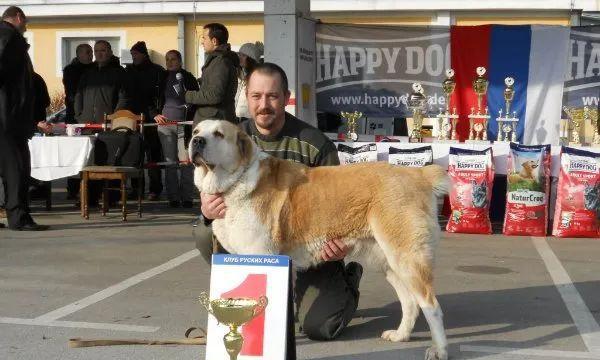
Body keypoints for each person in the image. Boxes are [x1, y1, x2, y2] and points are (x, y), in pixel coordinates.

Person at [196, 63, 362, 342]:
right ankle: (246, 292)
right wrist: (206, 212)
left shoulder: (315, 143)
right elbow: (209, 185)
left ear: (286, 97)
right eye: (256, 96)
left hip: (313, 253)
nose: (264, 104)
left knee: (320, 328)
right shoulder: (228, 137)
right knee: (202, 231)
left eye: (272, 96)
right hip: (257, 245)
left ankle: (348, 282)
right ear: (246, 98)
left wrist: (343, 243)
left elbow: (341, 202)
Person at [0, 6, 49, 231]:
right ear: (18, 17)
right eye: (25, 21)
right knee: (17, 168)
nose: (26, 25)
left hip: (7, 116)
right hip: (9, 118)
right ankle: (19, 218)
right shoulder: (10, 37)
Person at [155, 49, 199, 208]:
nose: (170, 62)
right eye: (167, 59)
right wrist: (155, 114)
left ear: (180, 61)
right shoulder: (161, 78)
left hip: (184, 127)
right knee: (170, 163)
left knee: (186, 162)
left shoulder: (188, 77)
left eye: (173, 59)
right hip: (165, 126)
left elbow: (197, 99)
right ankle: (173, 197)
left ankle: (187, 197)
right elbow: (154, 99)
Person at [125, 41, 165, 201]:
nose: (134, 57)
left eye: (136, 54)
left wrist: (155, 112)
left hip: (152, 120)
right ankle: (137, 188)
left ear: (144, 54)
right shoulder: (129, 72)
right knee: (135, 155)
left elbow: (158, 95)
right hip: (134, 118)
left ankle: (155, 189)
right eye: (132, 54)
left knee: (154, 156)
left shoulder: (156, 71)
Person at [185, 23, 238, 125]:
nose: (202, 42)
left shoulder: (221, 62)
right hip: (213, 121)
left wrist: (187, 95)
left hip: (215, 124)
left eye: (204, 38)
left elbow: (215, 95)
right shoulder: (216, 60)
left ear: (214, 41)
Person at [62, 43, 93, 200]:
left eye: (91, 52)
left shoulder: (94, 69)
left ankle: (91, 187)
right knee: (73, 152)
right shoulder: (70, 71)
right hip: (74, 116)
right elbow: (72, 93)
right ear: (79, 54)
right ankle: (72, 188)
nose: (91, 55)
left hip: (91, 115)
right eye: (88, 52)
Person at [74, 40, 129, 124]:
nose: (99, 54)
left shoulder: (119, 72)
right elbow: (79, 95)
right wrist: (79, 116)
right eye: (96, 51)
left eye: (103, 50)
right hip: (86, 123)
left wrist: (115, 116)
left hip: (108, 123)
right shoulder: (88, 72)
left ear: (110, 52)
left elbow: (123, 97)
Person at [234, 41, 262, 121]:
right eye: (239, 54)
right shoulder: (238, 73)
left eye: (244, 55)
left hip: (249, 119)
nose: (240, 57)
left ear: (251, 59)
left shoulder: (257, 76)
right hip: (235, 117)